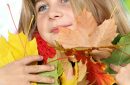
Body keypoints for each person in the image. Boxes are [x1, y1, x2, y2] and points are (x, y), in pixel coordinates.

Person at [0, 0, 130, 85]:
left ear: (98, 7)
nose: (52, 13)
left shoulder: (124, 67)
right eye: (43, 7)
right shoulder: (18, 70)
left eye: (65, 0)